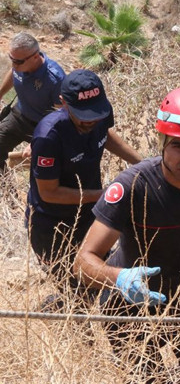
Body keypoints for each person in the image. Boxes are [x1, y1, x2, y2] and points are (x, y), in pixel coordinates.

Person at [75, 87, 180, 383]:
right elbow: (83, 261)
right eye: (178, 146)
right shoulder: (133, 186)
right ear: (162, 142)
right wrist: (119, 278)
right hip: (131, 307)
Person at [27, 69, 141, 286]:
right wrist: (105, 195)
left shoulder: (100, 111)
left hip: (90, 214)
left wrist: (141, 163)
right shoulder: (49, 136)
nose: (92, 120)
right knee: (74, 287)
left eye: (96, 113)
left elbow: (105, 135)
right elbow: (49, 193)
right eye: (83, 115)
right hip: (54, 225)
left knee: (102, 279)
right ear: (63, 102)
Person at [0, 32, 66, 171]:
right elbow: (13, 73)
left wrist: (38, 139)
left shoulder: (55, 78)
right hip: (19, 116)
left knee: (44, 167)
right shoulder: (19, 64)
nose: (13, 64)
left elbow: (60, 114)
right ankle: (6, 182)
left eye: (18, 61)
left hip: (43, 125)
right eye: (11, 59)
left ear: (35, 56)